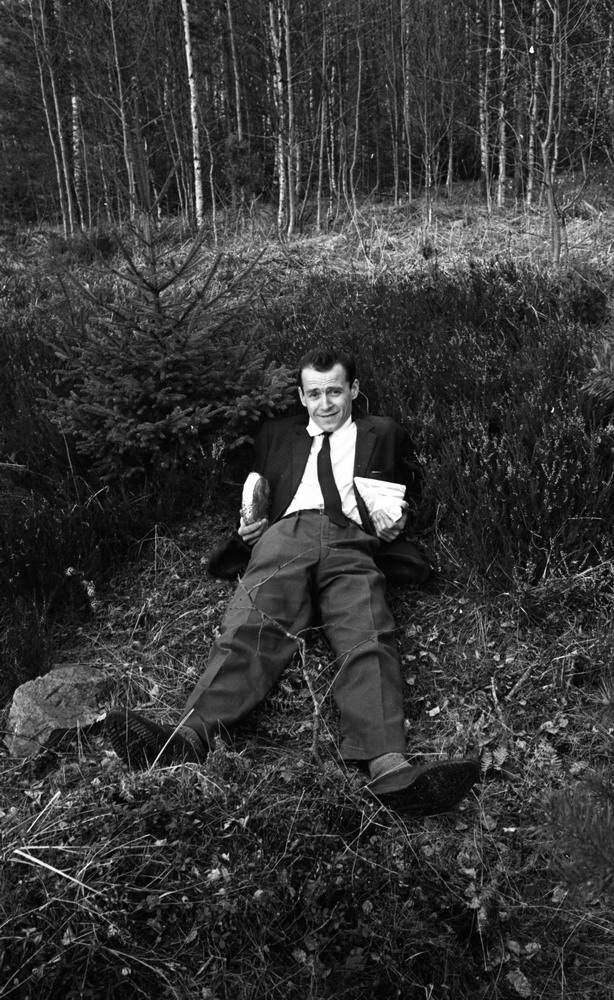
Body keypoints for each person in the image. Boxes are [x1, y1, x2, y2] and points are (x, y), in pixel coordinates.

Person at [106, 347, 479, 815]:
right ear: (302, 397)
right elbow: (260, 494)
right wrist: (247, 532)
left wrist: (398, 522)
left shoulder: (383, 433)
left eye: (335, 392)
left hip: (351, 539)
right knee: (251, 620)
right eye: (314, 394)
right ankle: (186, 737)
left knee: (367, 629)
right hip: (286, 533)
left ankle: (389, 766)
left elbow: (407, 494)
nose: (325, 404)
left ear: (353, 390)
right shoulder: (277, 434)